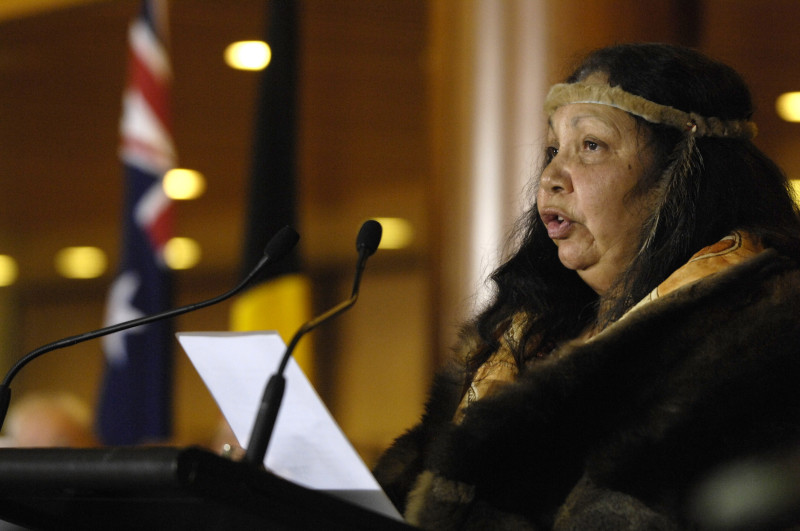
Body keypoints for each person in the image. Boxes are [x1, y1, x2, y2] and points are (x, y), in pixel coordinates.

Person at [373, 43, 800, 529]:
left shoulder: (767, 330)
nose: (551, 177)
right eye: (554, 149)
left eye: (591, 146)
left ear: (683, 175)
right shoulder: (518, 337)